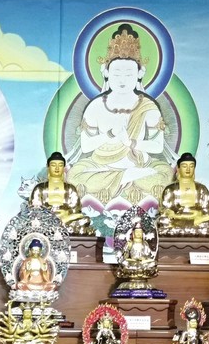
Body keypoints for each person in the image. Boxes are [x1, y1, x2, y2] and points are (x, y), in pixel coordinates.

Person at [68, 24, 171, 207]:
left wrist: (130, 143)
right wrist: (109, 135)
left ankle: (124, 177)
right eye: (117, 73)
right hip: (101, 165)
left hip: (140, 165)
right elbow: (86, 146)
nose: (122, 80)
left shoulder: (148, 107)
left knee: (166, 176)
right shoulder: (95, 106)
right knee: (74, 176)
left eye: (128, 74)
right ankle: (126, 177)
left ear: (139, 74)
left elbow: (157, 147)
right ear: (106, 73)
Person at [28, 152, 94, 235]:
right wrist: (49, 215)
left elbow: (76, 210)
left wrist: (65, 215)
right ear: (48, 167)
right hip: (45, 220)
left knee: (85, 219)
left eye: (60, 165)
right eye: (53, 165)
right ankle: (66, 228)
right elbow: (35, 209)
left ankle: (61, 227)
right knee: (34, 221)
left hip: (67, 219)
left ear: (64, 168)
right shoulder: (40, 188)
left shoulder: (70, 188)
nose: (57, 168)